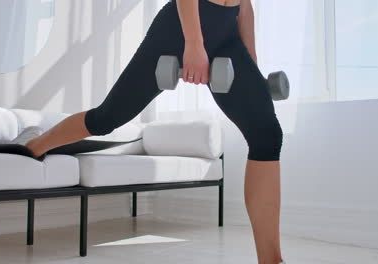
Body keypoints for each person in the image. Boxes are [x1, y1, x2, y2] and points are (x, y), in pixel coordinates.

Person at [26, 0, 285, 263]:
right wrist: (194, 44)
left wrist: (252, 66)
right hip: (178, 27)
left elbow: (245, 6)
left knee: (267, 136)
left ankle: (271, 260)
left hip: (227, 34)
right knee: (107, 118)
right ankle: (37, 144)